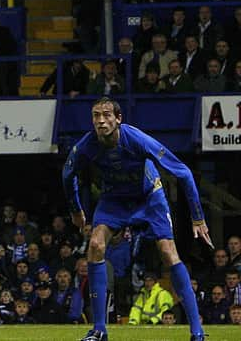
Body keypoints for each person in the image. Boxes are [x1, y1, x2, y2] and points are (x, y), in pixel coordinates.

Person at [63, 97, 212, 341]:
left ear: (119, 119)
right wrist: (76, 211)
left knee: (167, 252)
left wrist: (198, 218)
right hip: (113, 199)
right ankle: (99, 330)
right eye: (96, 115)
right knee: (95, 245)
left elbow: (183, 172)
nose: (101, 120)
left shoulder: (136, 139)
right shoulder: (88, 145)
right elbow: (68, 174)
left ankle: (197, 331)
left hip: (148, 197)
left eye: (107, 115)